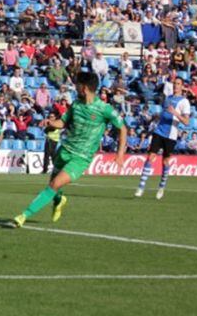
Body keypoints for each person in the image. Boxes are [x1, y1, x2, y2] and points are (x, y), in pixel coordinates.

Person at [9, 72, 127, 228]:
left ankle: (24, 215)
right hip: (64, 150)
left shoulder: (104, 109)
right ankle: (59, 200)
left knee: (54, 185)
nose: (75, 87)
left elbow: (123, 128)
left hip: (81, 158)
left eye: (77, 84)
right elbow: (62, 122)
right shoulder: (76, 105)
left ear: (84, 88)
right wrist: (49, 122)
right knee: (53, 185)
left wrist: (120, 154)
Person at [135, 77, 191, 200]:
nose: (176, 86)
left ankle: (161, 186)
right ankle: (141, 186)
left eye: (178, 84)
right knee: (150, 157)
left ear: (182, 86)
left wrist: (175, 113)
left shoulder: (184, 102)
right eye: (174, 83)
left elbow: (186, 121)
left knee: (165, 161)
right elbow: (164, 113)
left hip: (171, 135)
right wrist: (156, 117)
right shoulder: (168, 98)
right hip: (159, 131)